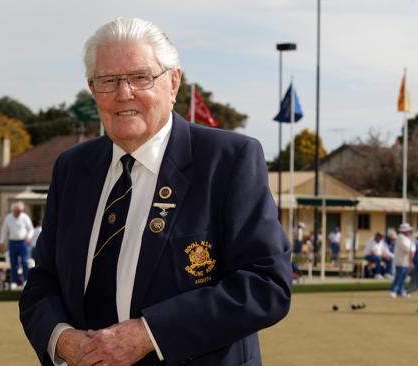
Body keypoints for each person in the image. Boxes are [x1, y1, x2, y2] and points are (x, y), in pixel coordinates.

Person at [19, 17, 291, 366]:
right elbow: (43, 282)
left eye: (139, 77)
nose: (123, 93)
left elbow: (267, 284)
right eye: (108, 80)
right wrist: (62, 340)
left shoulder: (228, 160)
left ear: (173, 82)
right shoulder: (72, 168)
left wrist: (150, 333)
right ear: (92, 89)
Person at [0, 201, 35, 288]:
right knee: (13, 263)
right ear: (13, 210)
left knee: (25, 262)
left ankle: (26, 280)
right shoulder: (8, 218)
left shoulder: (25, 217)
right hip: (12, 242)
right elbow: (4, 230)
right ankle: (14, 281)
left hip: (23, 243)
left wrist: (29, 237)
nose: (18, 213)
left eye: (20, 211)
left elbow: (31, 229)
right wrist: (1, 241)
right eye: (17, 211)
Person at [390, 223, 412, 298]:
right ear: (404, 231)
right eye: (407, 230)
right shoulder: (400, 237)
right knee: (399, 277)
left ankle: (401, 291)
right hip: (401, 261)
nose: (409, 232)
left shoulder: (407, 238)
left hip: (406, 261)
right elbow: (406, 248)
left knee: (404, 278)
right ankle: (393, 291)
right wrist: (413, 250)